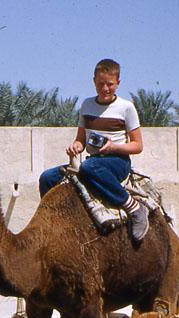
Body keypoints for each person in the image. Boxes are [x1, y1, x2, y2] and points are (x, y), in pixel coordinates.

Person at [39, 58, 148, 241]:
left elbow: (138, 146)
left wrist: (114, 147)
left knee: (88, 168)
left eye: (110, 84)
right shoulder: (86, 105)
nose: (105, 89)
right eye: (101, 84)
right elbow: (81, 140)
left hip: (117, 162)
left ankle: (134, 208)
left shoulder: (126, 107)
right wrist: (76, 146)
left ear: (118, 83)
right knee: (47, 177)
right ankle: (53, 223)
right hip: (92, 162)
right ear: (94, 82)